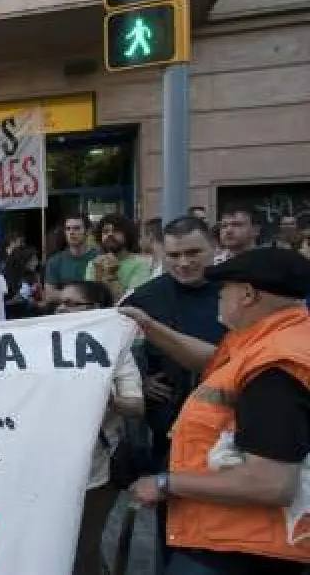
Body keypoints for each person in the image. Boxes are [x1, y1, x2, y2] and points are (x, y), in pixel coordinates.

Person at [123, 248, 310, 573]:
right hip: (239, 539)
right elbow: (216, 361)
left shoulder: (276, 367)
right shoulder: (272, 341)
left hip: (242, 548)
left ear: (248, 295)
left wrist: (165, 483)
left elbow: (271, 483)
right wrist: (149, 327)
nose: (219, 296)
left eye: (224, 288)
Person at [55, 280, 144, 575]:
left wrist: (103, 396)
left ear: (95, 310)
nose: (61, 309)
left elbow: (136, 405)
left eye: (72, 304)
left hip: (96, 469)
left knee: (82, 546)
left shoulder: (116, 350)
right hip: (48, 468)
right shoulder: (40, 345)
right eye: (59, 303)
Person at [86, 213, 152, 301]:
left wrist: (112, 275)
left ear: (127, 234)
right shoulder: (94, 264)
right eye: (105, 231)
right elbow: (90, 301)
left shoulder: (141, 264)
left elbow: (130, 301)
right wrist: (98, 274)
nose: (110, 234)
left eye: (116, 231)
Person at [44, 214, 98, 302]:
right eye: (68, 229)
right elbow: (49, 295)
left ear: (88, 231)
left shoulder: (98, 257)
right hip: (65, 309)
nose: (71, 232)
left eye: (77, 228)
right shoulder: (55, 261)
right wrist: (75, 297)